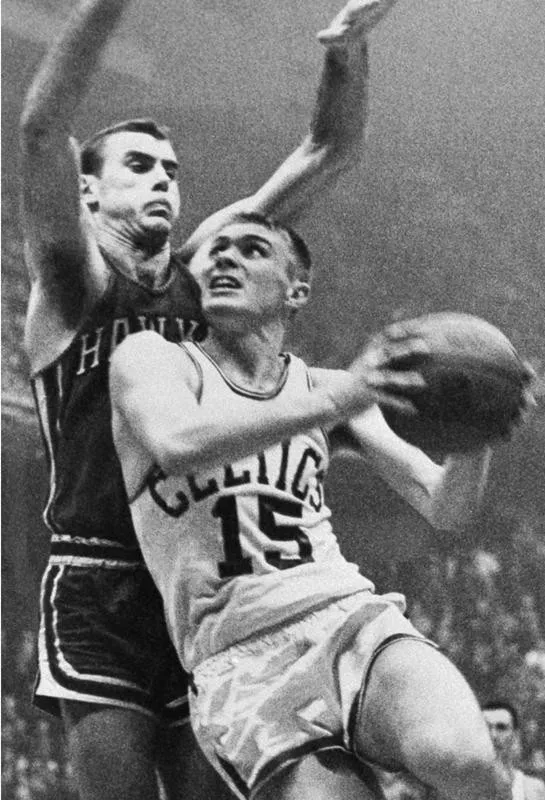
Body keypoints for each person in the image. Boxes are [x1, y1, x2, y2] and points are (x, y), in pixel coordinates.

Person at [19, 1, 401, 798]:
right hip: (101, 578)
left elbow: (330, 149)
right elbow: (39, 127)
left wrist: (347, 51)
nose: (163, 177)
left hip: (207, 586)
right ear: (87, 194)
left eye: (171, 169)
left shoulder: (205, 276)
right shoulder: (72, 281)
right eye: (138, 166)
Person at [109, 211, 532, 800]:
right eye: (214, 250)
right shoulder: (152, 359)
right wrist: (342, 395)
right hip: (241, 659)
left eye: (253, 249)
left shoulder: (328, 390)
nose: (226, 257)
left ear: (295, 290)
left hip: (343, 614)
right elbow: (178, 444)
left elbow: (444, 508)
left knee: (462, 759)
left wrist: (475, 438)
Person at [482, 701, 545, 800]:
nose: (493, 735)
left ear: (515, 735)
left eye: (501, 727)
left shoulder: (533, 788)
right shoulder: (464, 786)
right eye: (487, 727)